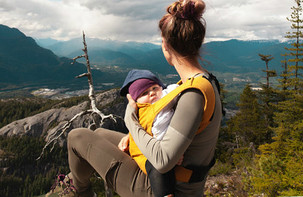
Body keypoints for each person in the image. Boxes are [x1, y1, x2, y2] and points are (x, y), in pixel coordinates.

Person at [51, 0, 222, 196]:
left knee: (77, 136)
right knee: (99, 133)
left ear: (166, 46)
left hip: (163, 188)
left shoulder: (193, 95)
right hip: (171, 178)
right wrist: (132, 136)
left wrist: (131, 120)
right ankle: (74, 185)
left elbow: (163, 160)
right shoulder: (203, 82)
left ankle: (79, 192)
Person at [119, 69, 180, 197]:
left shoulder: (166, 97)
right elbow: (148, 128)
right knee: (156, 166)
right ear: (137, 100)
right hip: (144, 152)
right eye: (144, 93)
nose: (152, 93)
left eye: (154, 88)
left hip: (160, 147)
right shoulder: (144, 111)